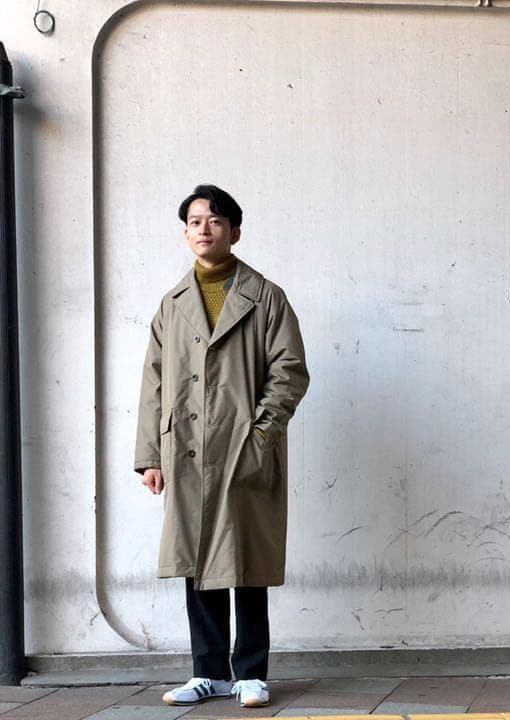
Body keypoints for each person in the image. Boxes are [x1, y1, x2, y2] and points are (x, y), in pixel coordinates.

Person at [134, 184, 309, 707]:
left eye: (214, 221)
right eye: (194, 222)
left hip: (243, 447)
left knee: (246, 559)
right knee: (197, 561)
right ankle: (206, 672)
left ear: (235, 230)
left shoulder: (266, 296)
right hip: (187, 450)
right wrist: (149, 456)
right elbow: (153, 382)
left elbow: (289, 370)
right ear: (185, 233)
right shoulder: (172, 304)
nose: (203, 229)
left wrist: (262, 434)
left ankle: (251, 673)